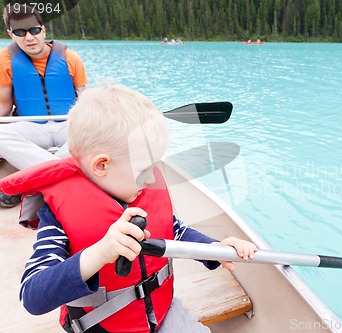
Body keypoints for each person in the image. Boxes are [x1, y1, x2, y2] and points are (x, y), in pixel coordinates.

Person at [0, 82, 257, 333]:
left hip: (161, 309)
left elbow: (175, 229)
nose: (151, 178)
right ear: (101, 165)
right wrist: (100, 252)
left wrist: (214, 249)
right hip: (101, 324)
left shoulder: (141, 189)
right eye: (144, 169)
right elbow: (32, 296)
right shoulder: (57, 216)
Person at [0, 3, 88, 208]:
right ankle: (61, 179)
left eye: (34, 30)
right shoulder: (4, 60)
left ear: (43, 30)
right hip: (31, 126)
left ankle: (34, 182)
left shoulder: (69, 57)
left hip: (68, 125)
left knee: (98, 132)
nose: (29, 37)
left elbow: (85, 102)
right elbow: (3, 107)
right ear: (10, 34)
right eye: (20, 32)